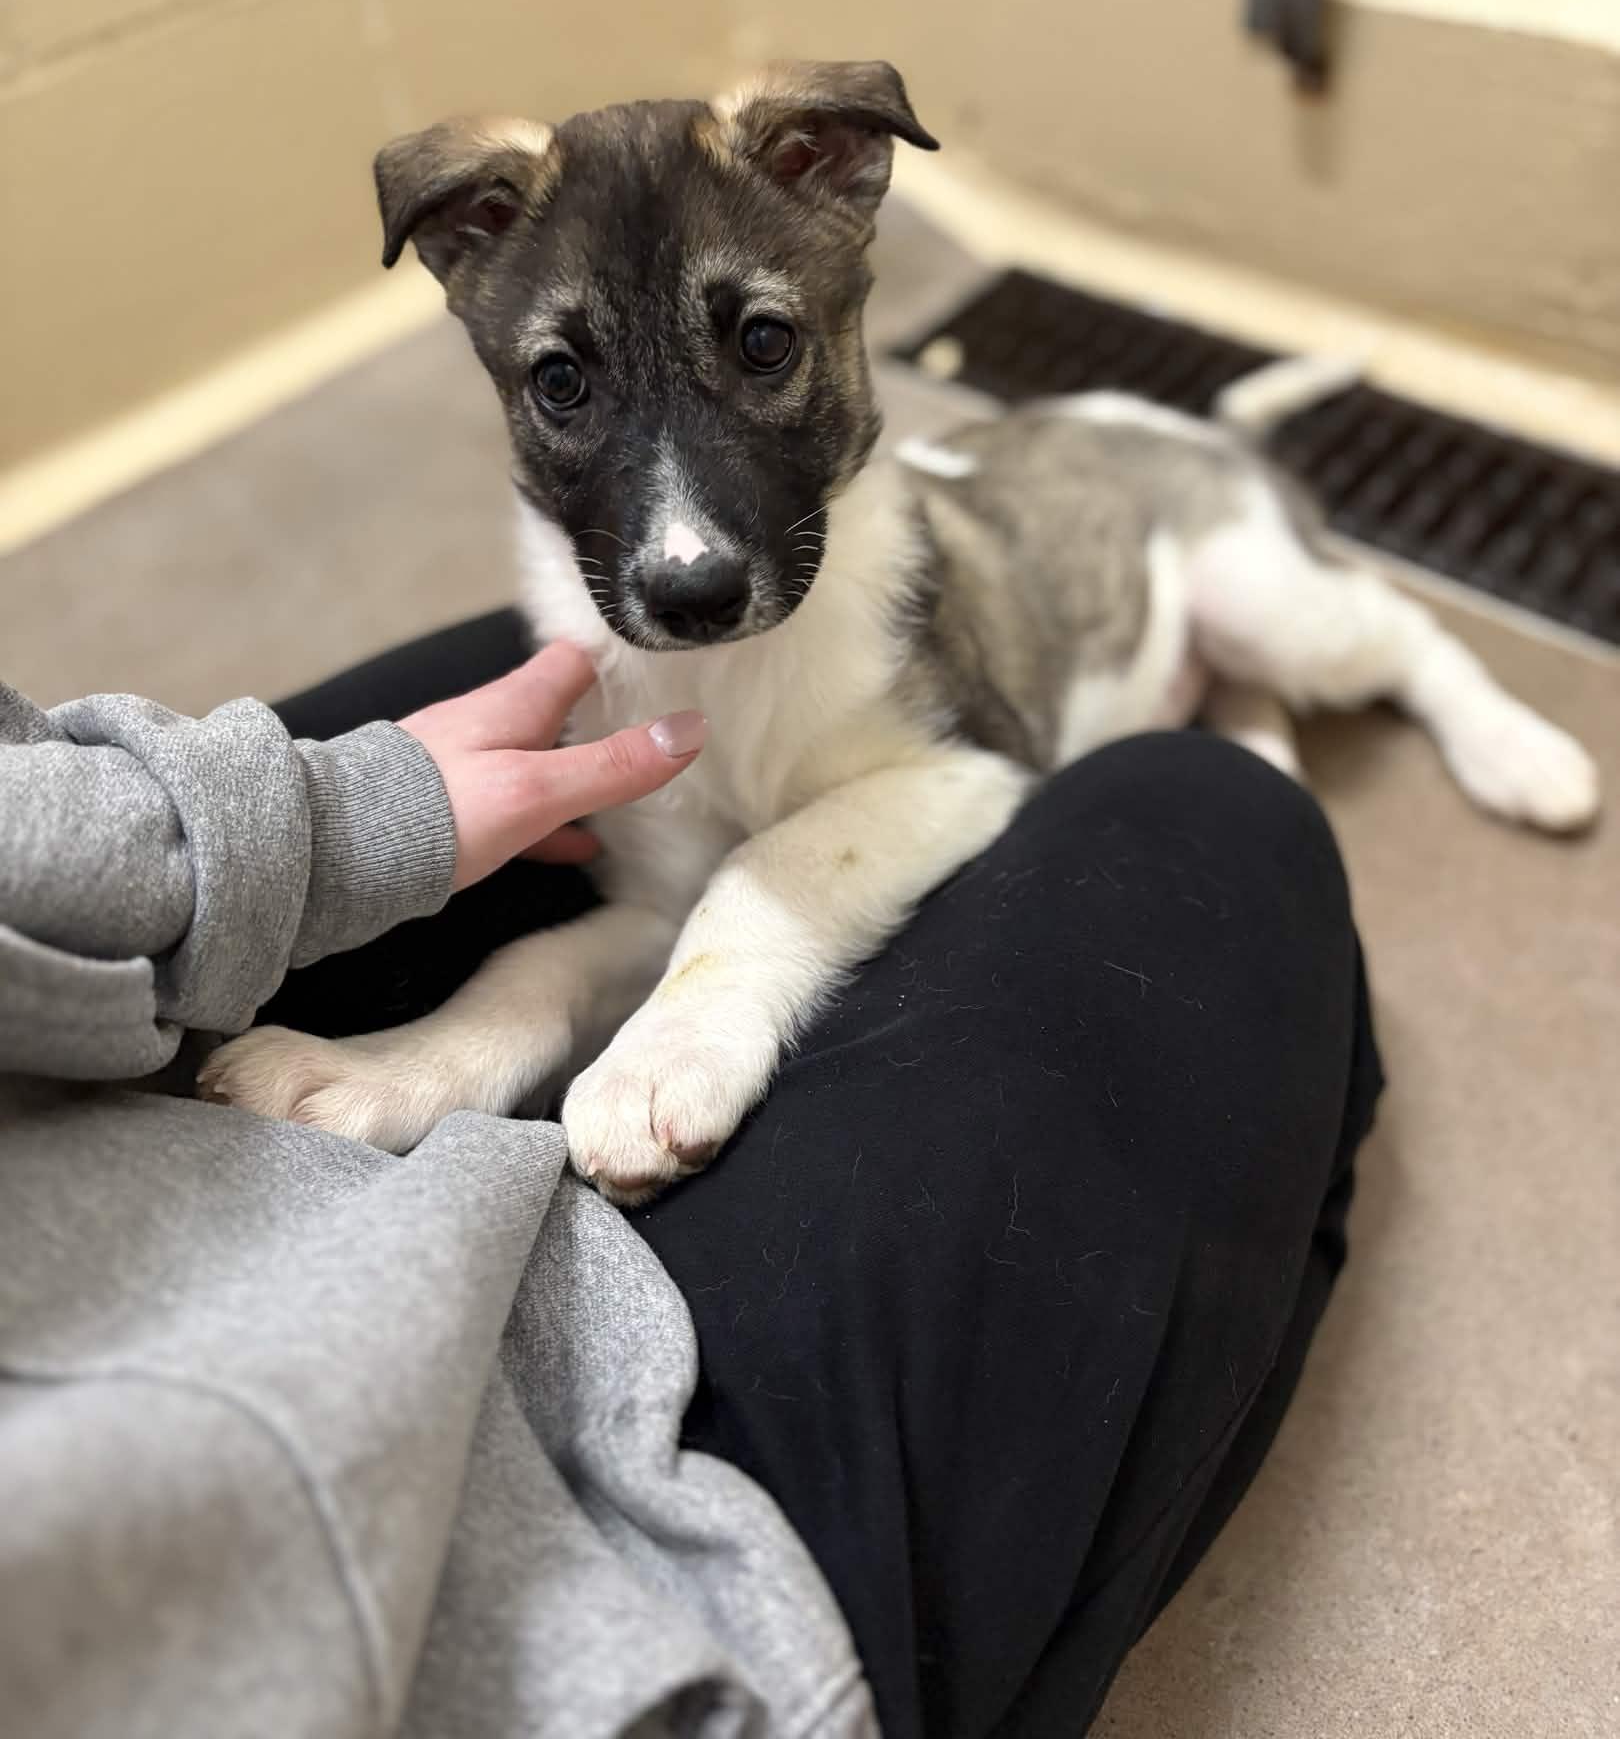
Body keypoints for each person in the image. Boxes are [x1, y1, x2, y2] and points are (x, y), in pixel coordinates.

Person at [0, 611, 1381, 1739]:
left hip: (79, 1092)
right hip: (601, 1581)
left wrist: (275, 831)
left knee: (599, 670)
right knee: (1209, 814)